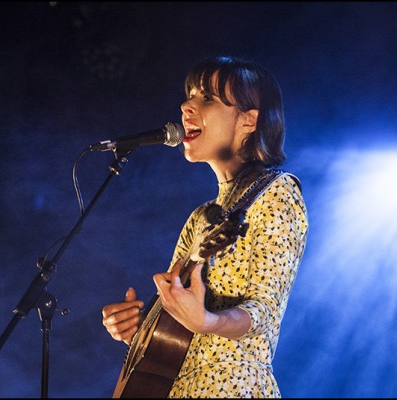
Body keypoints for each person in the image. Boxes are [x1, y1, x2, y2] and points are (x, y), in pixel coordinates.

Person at [101, 55, 308, 398]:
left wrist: (208, 322)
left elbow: (264, 311)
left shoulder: (278, 192)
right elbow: (174, 320)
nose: (186, 106)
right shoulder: (201, 217)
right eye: (189, 95)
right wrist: (136, 329)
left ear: (249, 120)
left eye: (207, 98)